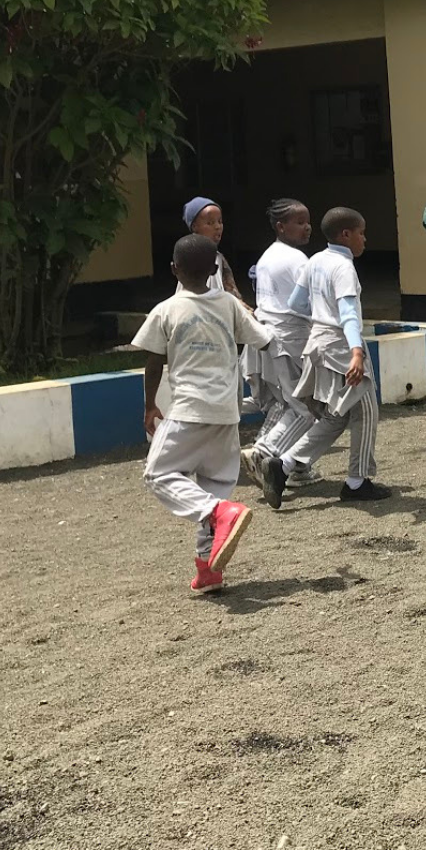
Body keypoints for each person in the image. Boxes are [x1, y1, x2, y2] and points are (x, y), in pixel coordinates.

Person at [137, 234, 272, 594]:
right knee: (214, 484)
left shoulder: (166, 310)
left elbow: (154, 361)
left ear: (173, 270)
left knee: (158, 473)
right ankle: (208, 569)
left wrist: (150, 404)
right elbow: (264, 340)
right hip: (227, 413)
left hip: (188, 409)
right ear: (215, 269)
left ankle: (220, 513)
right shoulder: (229, 304)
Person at [260, 207, 392, 509]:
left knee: (336, 416)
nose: (365, 239)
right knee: (366, 411)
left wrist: (321, 317)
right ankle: (357, 482)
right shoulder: (343, 267)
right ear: (346, 234)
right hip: (342, 346)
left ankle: (283, 465)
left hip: (317, 343)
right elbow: (347, 313)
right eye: (361, 233)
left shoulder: (316, 259)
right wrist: (356, 351)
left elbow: (296, 302)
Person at [240, 199, 325, 487]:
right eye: (299, 222)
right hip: (289, 340)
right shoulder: (297, 260)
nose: (307, 227)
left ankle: (296, 468)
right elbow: (309, 303)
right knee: (308, 408)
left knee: (283, 403)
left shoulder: (268, 257)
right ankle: (264, 452)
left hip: (267, 340)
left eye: (307, 221)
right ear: (281, 226)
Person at [180, 196, 242, 298]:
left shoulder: (218, 257)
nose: (218, 227)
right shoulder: (191, 258)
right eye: (210, 223)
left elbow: (230, 290)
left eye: (220, 221)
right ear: (195, 227)